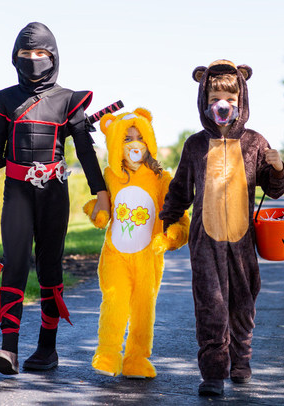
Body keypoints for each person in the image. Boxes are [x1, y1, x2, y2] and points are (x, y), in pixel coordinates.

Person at [0, 22, 110, 375]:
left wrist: (102, 192)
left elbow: (85, 150)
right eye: (25, 53)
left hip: (54, 195)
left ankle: (47, 349)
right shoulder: (5, 100)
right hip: (16, 194)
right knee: (14, 265)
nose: (33, 60)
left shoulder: (68, 100)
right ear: (14, 57)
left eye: (41, 53)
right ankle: (8, 350)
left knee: (49, 268)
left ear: (54, 56)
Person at [159, 59, 284, 396]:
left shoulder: (255, 142)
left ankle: (241, 360)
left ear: (241, 102)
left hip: (242, 239)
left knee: (243, 305)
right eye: (216, 97)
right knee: (211, 307)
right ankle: (214, 373)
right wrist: (168, 220)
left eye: (231, 99)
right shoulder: (195, 145)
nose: (223, 105)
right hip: (206, 241)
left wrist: (277, 170)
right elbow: (180, 189)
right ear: (205, 101)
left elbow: (273, 189)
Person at [82, 108, 189, 379]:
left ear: (149, 142)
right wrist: (97, 212)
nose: (134, 144)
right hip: (116, 254)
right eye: (127, 139)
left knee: (144, 307)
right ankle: (107, 354)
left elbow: (179, 216)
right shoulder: (110, 176)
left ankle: (136, 358)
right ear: (116, 144)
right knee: (114, 300)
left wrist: (171, 237)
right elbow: (104, 211)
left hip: (147, 256)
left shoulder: (161, 179)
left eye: (139, 137)